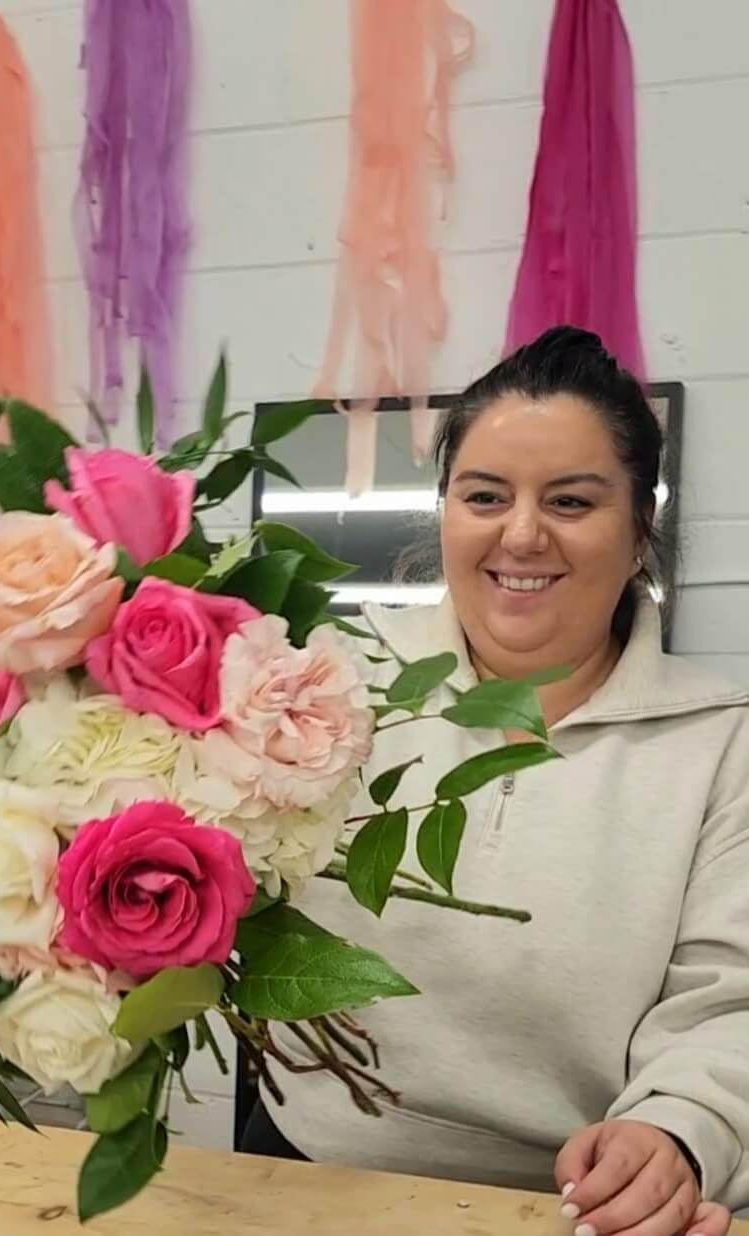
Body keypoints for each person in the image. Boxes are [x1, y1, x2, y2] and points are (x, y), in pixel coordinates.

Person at [241, 327, 749, 1236]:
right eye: (484, 495)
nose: (522, 533)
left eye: (571, 500)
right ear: (444, 514)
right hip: (313, 1174)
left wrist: (679, 1132)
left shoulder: (723, 741)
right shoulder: (324, 684)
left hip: (581, 1202)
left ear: (639, 533)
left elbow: (733, 997)